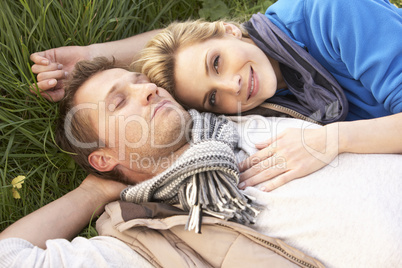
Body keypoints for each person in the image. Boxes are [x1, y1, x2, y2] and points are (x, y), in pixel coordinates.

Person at [2, 58, 401, 267]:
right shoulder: (145, 238)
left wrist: (89, 56)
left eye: (141, 80)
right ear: (104, 157)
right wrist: (93, 192)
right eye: (119, 102)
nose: (147, 91)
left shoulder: (234, 113)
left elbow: (208, 43)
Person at [134, 0, 402, 191]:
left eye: (216, 62)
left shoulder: (332, 9)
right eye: (213, 97)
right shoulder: (258, 110)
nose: (232, 85)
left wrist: (332, 140)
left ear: (229, 30)